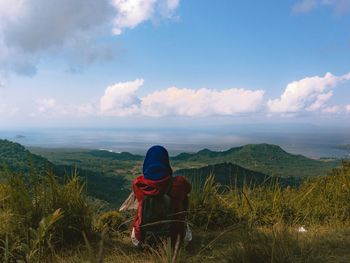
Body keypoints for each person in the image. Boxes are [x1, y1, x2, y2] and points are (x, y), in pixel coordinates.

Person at [131, 145, 191, 248]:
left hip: (145, 240)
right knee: (183, 199)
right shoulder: (179, 183)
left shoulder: (139, 184)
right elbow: (189, 189)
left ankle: (143, 242)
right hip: (174, 241)